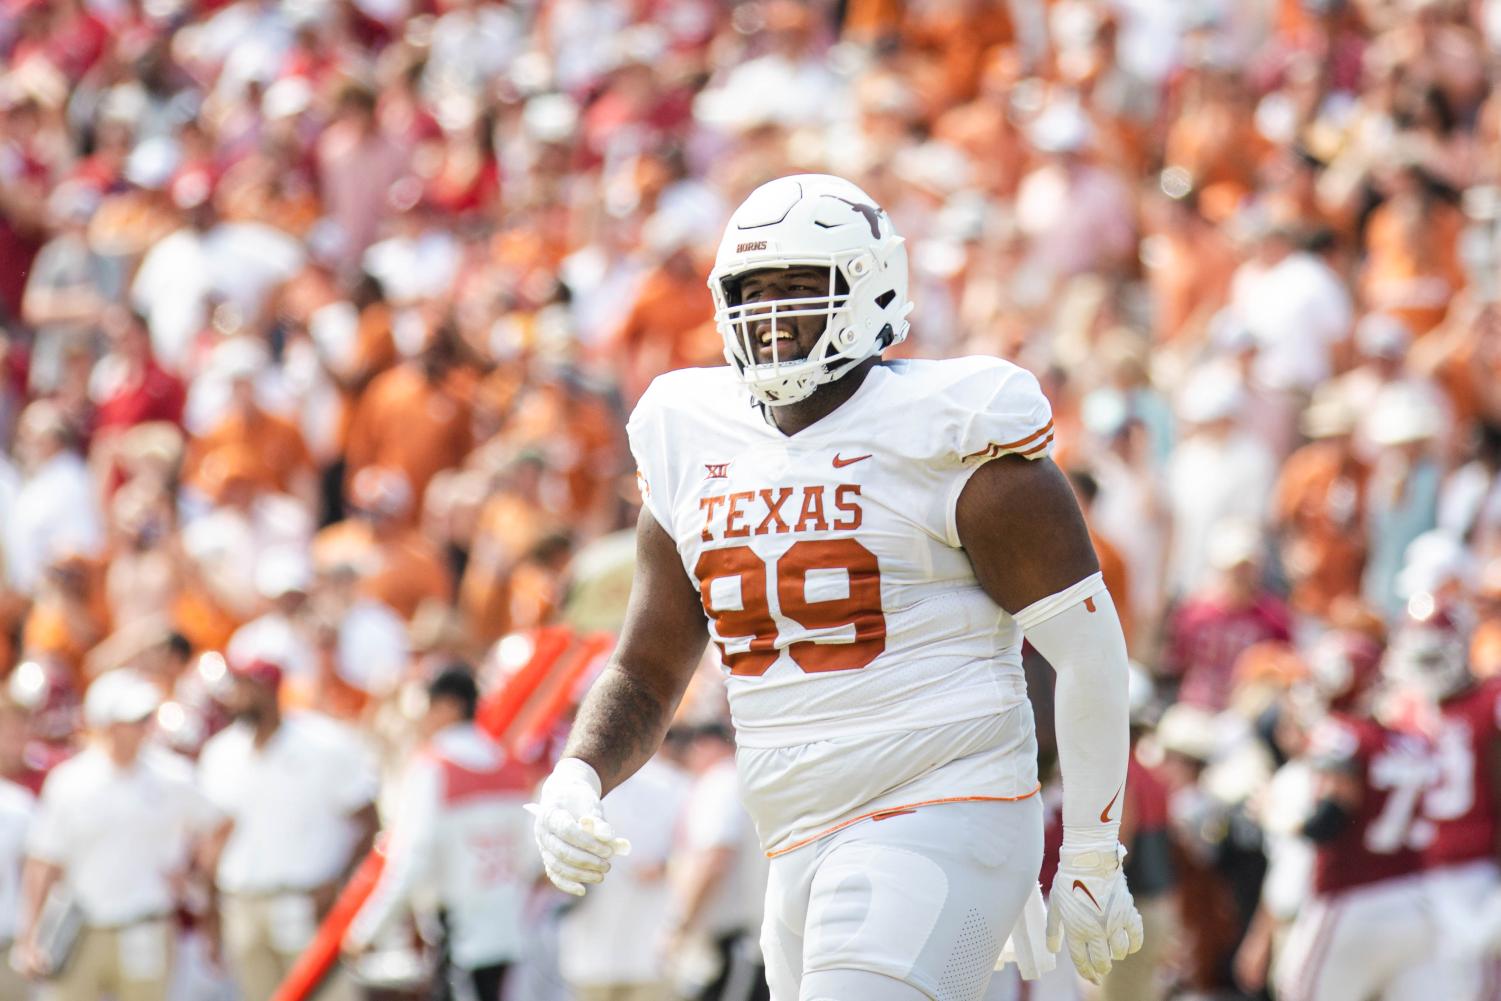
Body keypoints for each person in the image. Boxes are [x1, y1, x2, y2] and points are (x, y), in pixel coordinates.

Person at [530, 174, 1143, 1001]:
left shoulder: (950, 432)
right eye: (752, 291)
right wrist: (579, 770)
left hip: (943, 800)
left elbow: (1090, 649)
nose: (770, 315)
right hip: (792, 828)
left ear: (868, 287)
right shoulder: (690, 434)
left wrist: (1093, 854)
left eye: (797, 289)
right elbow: (647, 666)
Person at [15, 670, 210, 1001]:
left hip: (147, 926)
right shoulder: (71, 783)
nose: (142, 728)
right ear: (106, 725)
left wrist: (192, 873)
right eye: (132, 720)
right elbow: (42, 861)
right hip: (82, 929)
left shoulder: (173, 777)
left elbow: (215, 824)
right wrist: (30, 934)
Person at [344, 667, 536, 1001]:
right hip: (508, 925)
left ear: (448, 706)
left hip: (458, 931)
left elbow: (412, 856)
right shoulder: (509, 764)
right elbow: (530, 856)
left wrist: (369, 928)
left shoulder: (433, 766)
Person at [197, 658, 378, 1001]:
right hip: (244, 904)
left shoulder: (325, 744)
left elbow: (368, 822)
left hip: (309, 903)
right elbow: (214, 839)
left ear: (267, 688)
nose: (233, 695)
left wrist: (340, 884)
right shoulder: (221, 752)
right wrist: (211, 913)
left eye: (242, 685)